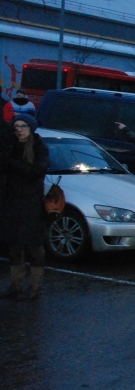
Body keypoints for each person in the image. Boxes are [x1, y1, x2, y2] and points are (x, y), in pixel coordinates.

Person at [0, 115, 49, 300]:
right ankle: (16, 285)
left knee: (35, 246)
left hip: (32, 204)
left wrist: (12, 163)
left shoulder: (39, 147)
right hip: (12, 202)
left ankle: (35, 288)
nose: (19, 130)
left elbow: (36, 171)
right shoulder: (9, 146)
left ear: (31, 128)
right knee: (14, 245)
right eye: (16, 127)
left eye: (23, 126)